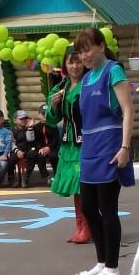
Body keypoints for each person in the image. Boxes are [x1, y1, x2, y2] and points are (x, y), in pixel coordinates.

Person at [73, 27, 135, 275]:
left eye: (87, 49)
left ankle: (112, 268)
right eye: (80, 51)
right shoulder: (86, 78)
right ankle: (101, 263)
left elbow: (128, 110)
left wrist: (124, 147)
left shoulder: (113, 71)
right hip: (89, 148)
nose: (84, 56)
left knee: (108, 209)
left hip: (110, 146)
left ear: (100, 45)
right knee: (88, 206)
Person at [46, 47, 90, 243]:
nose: (74, 66)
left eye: (78, 61)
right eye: (70, 62)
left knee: (84, 185)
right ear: (64, 65)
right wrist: (54, 106)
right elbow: (51, 120)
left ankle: (89, 227)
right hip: (69, 143)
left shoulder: (89, 84)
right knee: (75, 187)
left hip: (87, 142)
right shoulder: (59, 88)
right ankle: (80, 226)